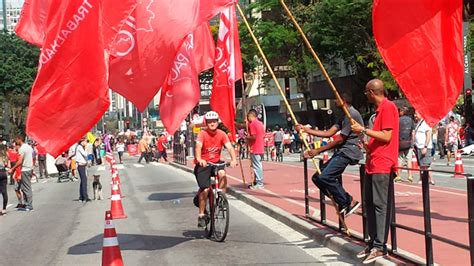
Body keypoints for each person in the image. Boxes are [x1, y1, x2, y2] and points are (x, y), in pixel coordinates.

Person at [351, 79, 399, 264]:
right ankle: (373, 242)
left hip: (383, 164)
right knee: (370, 203)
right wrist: (364, 141)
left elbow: (387, 136)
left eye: (366, 92)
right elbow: (378, 141)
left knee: (380, 205)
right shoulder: (379, 111)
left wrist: (364, 129)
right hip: (373, 162)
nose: (366, 95)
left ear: (371, 92)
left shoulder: (388, 107)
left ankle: (380, 246)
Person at [297, 93, 362, 216]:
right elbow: (329, 133)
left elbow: (340, 139)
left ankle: (349, 201)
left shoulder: (351, 114)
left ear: (343, 100)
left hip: (349, 151)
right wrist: (306, 129)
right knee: (317, 177)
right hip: (342, 150)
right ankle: (342, 201)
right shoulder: (343, 115)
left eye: (336, 99)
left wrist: (318, 150)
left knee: (325, 176)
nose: (333, 101)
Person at [193, 111, 237, 228]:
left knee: (222, 173)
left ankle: (221, 198)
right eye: (209, 122)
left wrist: (234, 159)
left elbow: (229, 147)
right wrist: (199, 159)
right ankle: (201, 214)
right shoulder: (202, 134)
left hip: (216, 163)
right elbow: (198, 147)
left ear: (218, 122)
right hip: (204, 164)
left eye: (214, 121)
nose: (212, 124)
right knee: (206, 189)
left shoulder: (222, 134)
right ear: (206, 123)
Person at [8, 135, 35, 212]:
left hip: (25, 169)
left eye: (17, 140)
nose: (16, 142)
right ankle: (27, 204)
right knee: (24, 188)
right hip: (29, 168)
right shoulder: (29, 147)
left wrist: (12, 169)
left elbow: (20, 161)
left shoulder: (22, 149)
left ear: (20, 140)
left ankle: (29, 205)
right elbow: (33, 157)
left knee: (26, 188)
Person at [413, 111, 434, 184]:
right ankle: (421, 178)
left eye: (416, 114)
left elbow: (428, 135)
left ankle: (431, 179)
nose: (415, 115)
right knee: (421, 165)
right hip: (418, 146)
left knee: (426, 164)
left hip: (424, 147)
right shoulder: (419, 123)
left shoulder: (425, 123)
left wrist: (425, 146)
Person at [395, 107, 414, 183]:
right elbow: (413, 132)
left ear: (402, 112)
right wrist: (412, 142)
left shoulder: (398, 120)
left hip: (400, 142)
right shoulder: (411, 120)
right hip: (408, 142)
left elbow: (396, 131)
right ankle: (410, 176)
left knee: (400, 159)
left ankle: (399, 176)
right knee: (409, 160)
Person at [75, 138, 90, 202]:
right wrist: (86, 147)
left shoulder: (80, 147)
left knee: (83, 181)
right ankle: (85, 197)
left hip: (83, 165)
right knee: (84, 181)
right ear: (82, 142)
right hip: (81, 166)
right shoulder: (79, 147)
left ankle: (81, 196)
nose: (86, 143)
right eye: (85, 142)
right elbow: (85, 154)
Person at [0, 144, 8, 215]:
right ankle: (4, 209)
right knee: (4, 192)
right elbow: (6, 165)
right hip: (3, 173)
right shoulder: (4, 156)